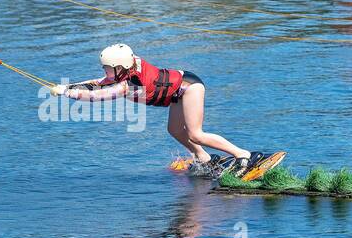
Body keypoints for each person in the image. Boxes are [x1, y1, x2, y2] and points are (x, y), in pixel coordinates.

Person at [52, 43, 272, 178]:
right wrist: (69, 86)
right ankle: (204, 158)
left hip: (190, 87)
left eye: (108, 68)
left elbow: (97, 95)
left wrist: (68, 93)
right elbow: (98, 82)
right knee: (175, 130)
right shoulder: (127, 68)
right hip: (176, 92)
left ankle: (245, 155)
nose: (105, 72)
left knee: (196, 133)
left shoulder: (130, 84)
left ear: (121, 68)